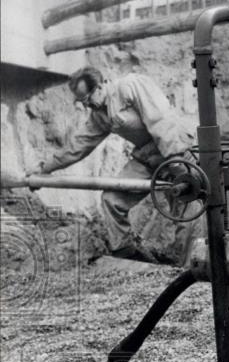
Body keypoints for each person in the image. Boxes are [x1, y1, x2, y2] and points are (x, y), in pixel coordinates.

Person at [26, 67, 197, 260]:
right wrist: (42, 170)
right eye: (82, 102)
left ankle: (188, 266)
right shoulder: (99, 114)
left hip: (177, 147)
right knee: (112, 200)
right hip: (148, 156)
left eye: (87, 98)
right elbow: (77, 147)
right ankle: (128, 254)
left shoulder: (130, 86)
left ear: (100, 86)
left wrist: (176, 161)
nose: (87, 105)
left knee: (186, 207)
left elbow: (161, 121)